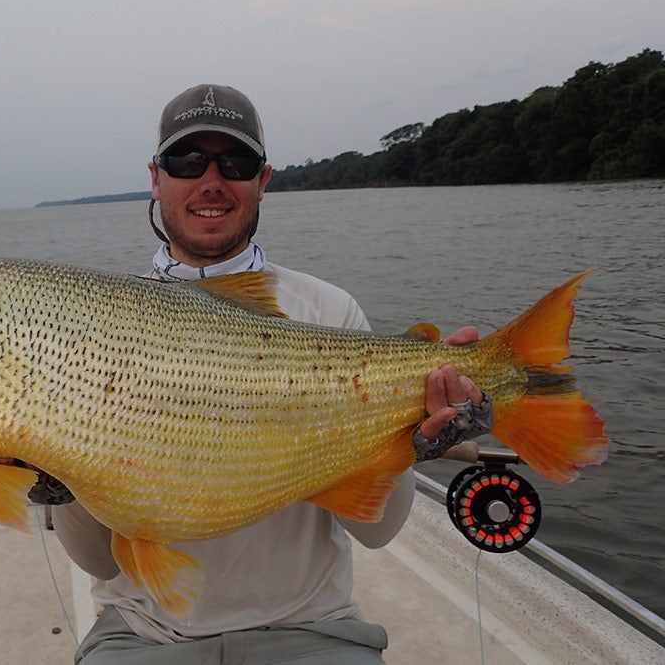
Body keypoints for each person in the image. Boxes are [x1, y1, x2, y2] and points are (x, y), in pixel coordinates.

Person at [51, 84, 491, 664]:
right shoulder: (91, 324)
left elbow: (377, 533)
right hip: (142, 633)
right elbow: (100, 561)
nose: (212, 179)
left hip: (312, 631)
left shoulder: (328, 313)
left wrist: (411, 446)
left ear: (264, 180)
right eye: (188, 161)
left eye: (236, 162)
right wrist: (57, 480)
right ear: (156, 179)